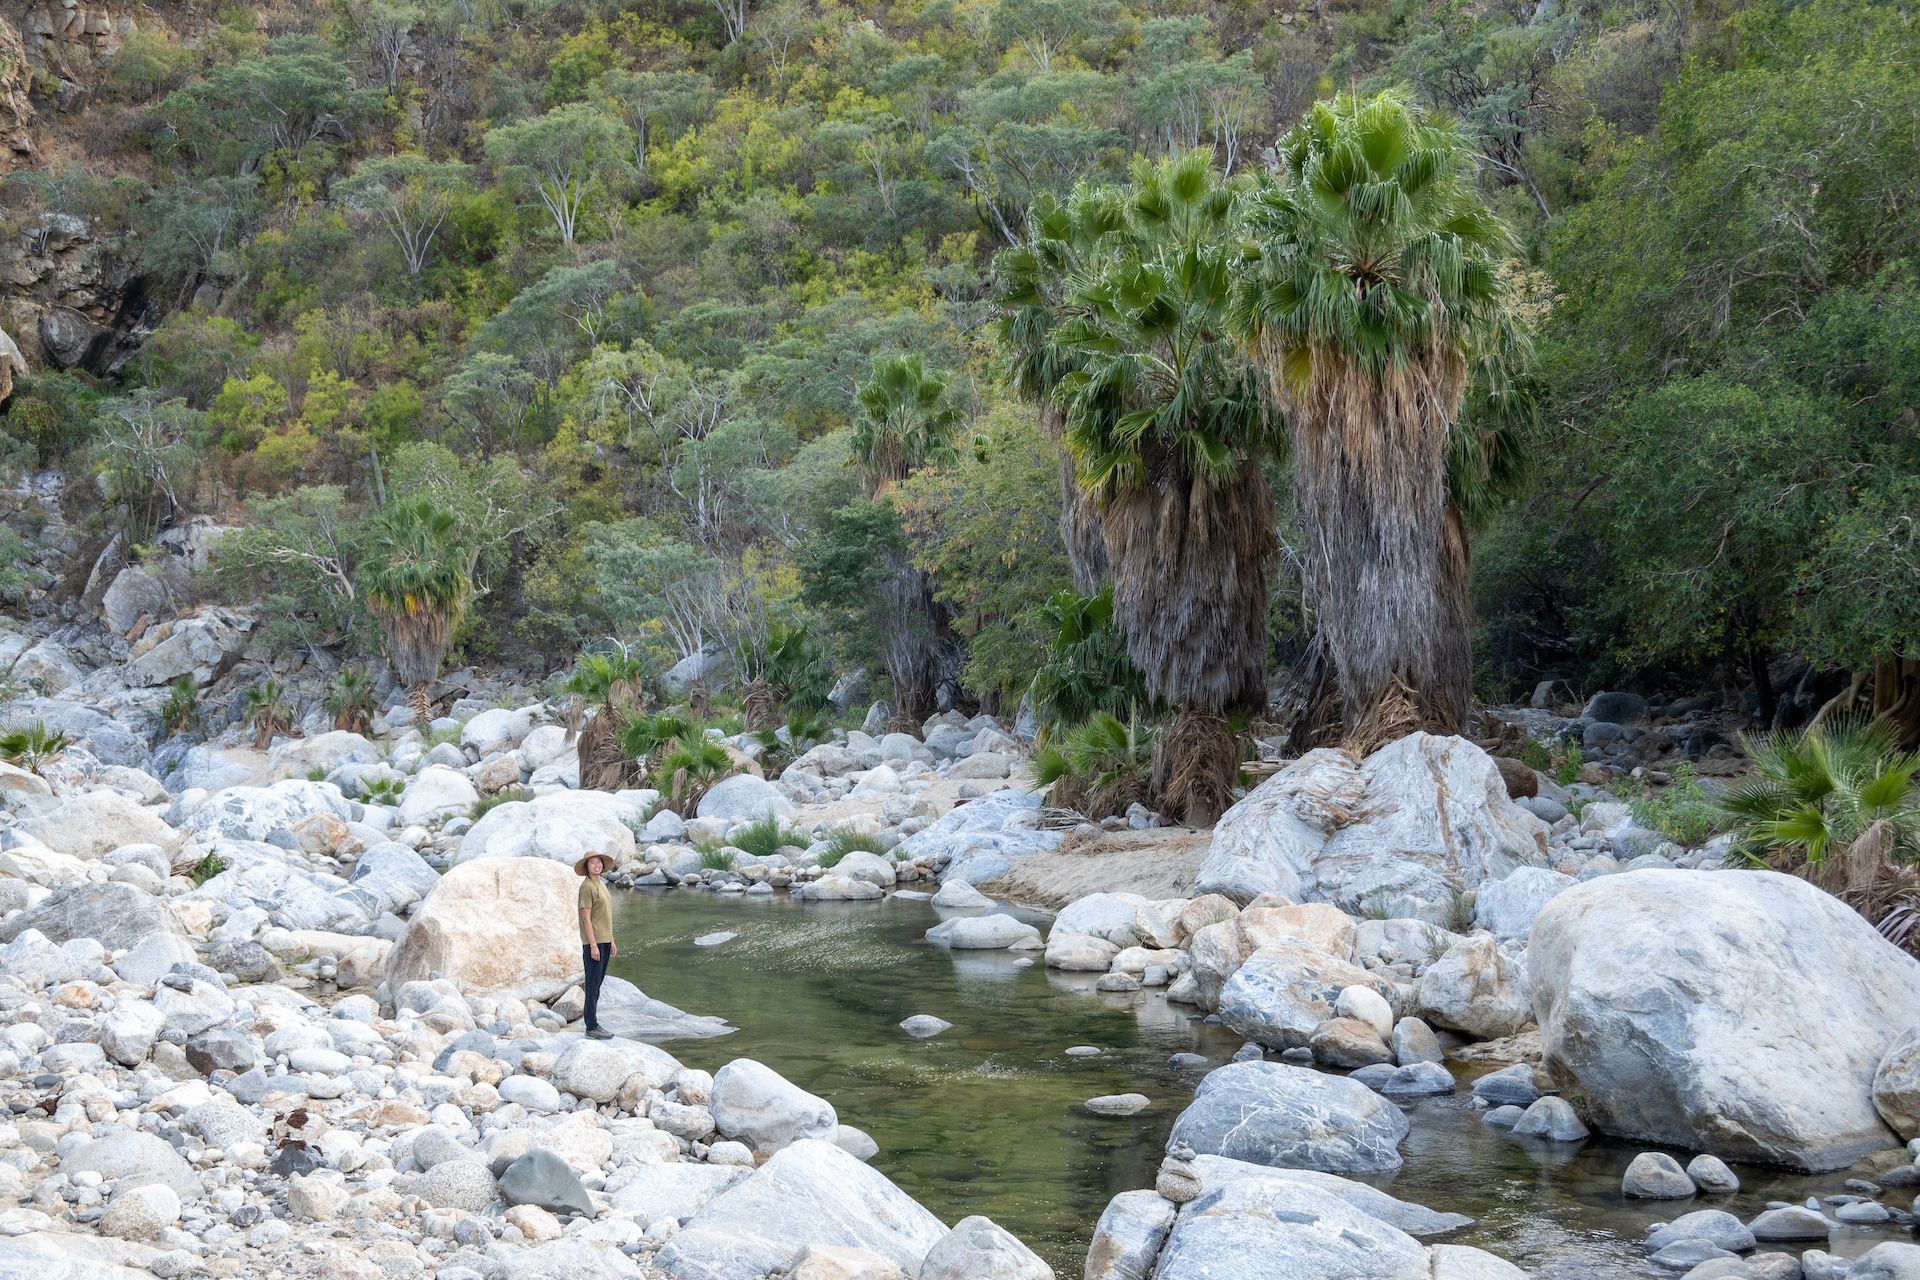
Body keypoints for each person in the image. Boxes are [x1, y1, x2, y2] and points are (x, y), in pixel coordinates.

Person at [574, 852, 616, 1039]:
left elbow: (605, 916)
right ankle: (591, 1026)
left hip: (604, 940)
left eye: (599, 862)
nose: (597, 865)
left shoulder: (601, 885)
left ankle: (593, 1023)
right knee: (592, 985)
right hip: (594, 942)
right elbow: (586, 918)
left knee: (597, 984)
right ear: (587, 866)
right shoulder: (587, 887)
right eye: (592, 862)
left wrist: (611, 940)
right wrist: (592, 945)